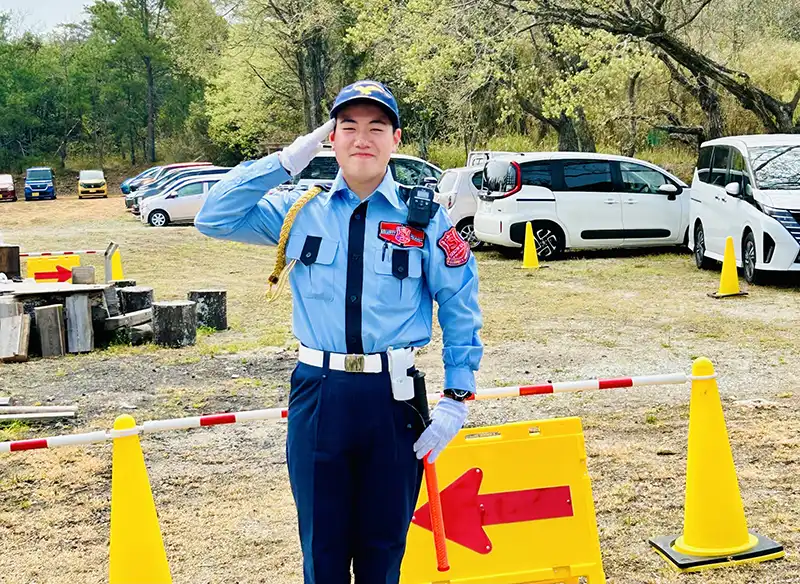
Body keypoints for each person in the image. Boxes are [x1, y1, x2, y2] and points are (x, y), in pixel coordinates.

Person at [195, 80, 483, 584]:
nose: (362, 139)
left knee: (382, 552)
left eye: (376, 127)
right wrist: (286, 160)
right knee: (322, 552)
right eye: (347, 127)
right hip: (319, 394)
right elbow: (213, 217)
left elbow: (459, 302)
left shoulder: (425, 218)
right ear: (330, 139)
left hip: (393, 402)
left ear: (396, 139)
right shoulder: (299, 210)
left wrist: (457, 397)